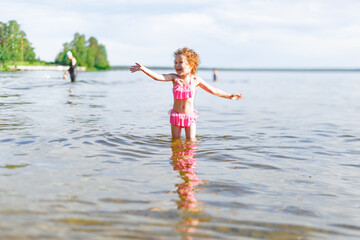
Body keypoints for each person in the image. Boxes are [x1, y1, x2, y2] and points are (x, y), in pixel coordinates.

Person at [130, 47, 242, 140]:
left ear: (191, 65)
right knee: (175, 142)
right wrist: (143, 69)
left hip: (189, 116)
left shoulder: (195, 80)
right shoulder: (174, 78)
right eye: (175, 62)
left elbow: (213, 90)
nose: (177, 65)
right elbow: (158, 77)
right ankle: (177, 162)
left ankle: (189, 165)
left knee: (191, 142)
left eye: (180, 62)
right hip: (176, 116)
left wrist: (229, 96)